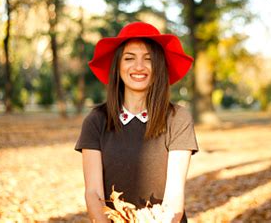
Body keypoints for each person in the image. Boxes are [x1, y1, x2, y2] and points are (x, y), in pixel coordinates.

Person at [75, 21, 198, 223]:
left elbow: (175, 196)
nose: (139, 66)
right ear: (118, 66)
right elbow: (93, 193)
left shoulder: (178, 118)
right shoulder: (96, 120)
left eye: (148, 59)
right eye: (129, 58)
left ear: (158, 66)